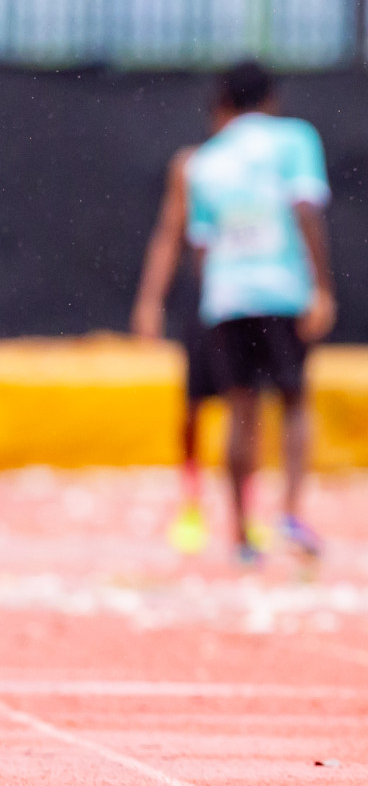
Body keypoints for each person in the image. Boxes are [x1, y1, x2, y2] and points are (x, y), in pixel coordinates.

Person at [184, 61, 337, 565]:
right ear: (270, 98)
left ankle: (241, 535)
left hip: (227, 296)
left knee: (240, 410)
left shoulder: (206, 160)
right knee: (294, 403)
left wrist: (218, 294)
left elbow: (201, 244)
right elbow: (305, 211)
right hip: (281, 289)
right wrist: (321, 287)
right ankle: (290, 512)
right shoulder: (293, 140)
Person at [132, 144, 216, 555]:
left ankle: (248, 507)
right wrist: (150, 300)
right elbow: (170, 231)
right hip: (210, 297)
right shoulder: (194, 166)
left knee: (249, 403)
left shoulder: (270, 162)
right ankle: (192, 497)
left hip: (252, 299)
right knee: (193, 404)